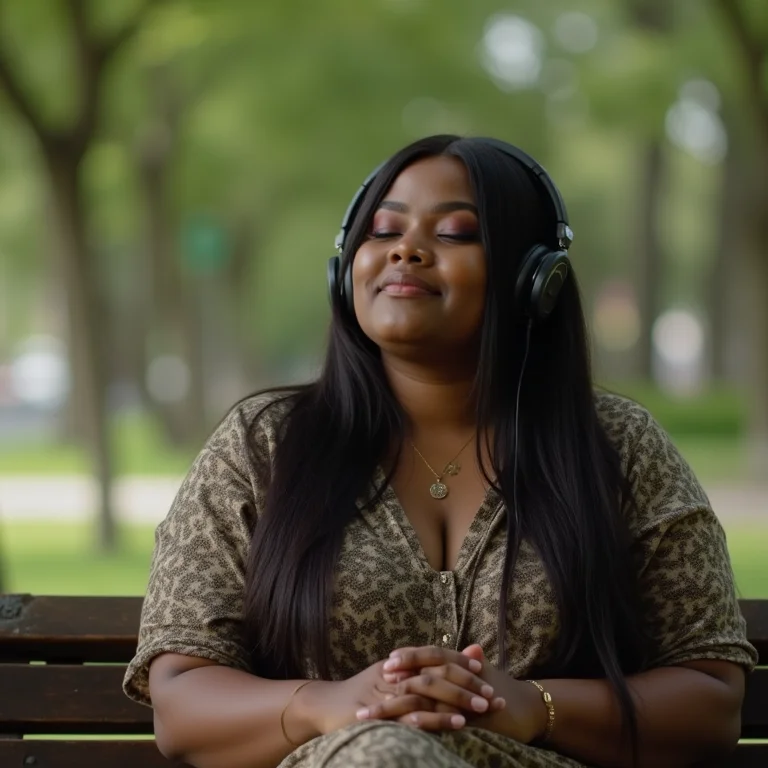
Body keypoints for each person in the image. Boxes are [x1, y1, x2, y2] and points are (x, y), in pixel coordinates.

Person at [123, 135, 757, 768]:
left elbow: (710, 699)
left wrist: (537, 706)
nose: (405, 249)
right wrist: (329, 707)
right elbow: (180, 700)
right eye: (382, 231)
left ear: (535, 278)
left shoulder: (619, 447)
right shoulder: (261, 444)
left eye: (454, 233)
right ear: (346, 268)